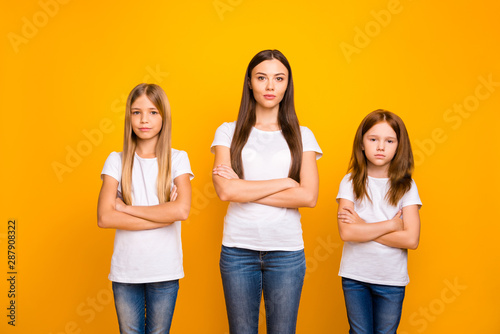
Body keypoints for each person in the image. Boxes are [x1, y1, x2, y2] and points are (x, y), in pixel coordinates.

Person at [211, 49, 322, 334]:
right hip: (238, 250)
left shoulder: (302, 134)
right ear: (250, 82)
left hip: (286, 252)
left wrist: (243, 188)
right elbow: (225, 191)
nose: (270, 86)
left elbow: (308, 196)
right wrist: (286, 183)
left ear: (287, 84)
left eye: (279, 78)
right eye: (262, 78)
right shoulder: (228, 131)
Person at [97, 83, 193, 334]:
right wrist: (163, 215)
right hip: (126, 272)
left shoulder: (178, 159)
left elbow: (181, 211)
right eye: (136, 112)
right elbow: (105, 217)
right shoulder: (115, 160)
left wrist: (126, 209)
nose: (144, 120)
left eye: (153, 112)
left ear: (164, 116)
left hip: (164, 269)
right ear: (129, 116)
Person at [336, 109, 422, 334]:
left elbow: (411, 239)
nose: (381, 146)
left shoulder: (407, 186)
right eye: (373, 139)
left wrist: (362, 226)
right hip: (356, 277)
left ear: (398, 145)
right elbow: (347, 233)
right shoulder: (350, 181)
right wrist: (392, 225)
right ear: (362, 143)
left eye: (389, 140)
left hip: (391, 279)